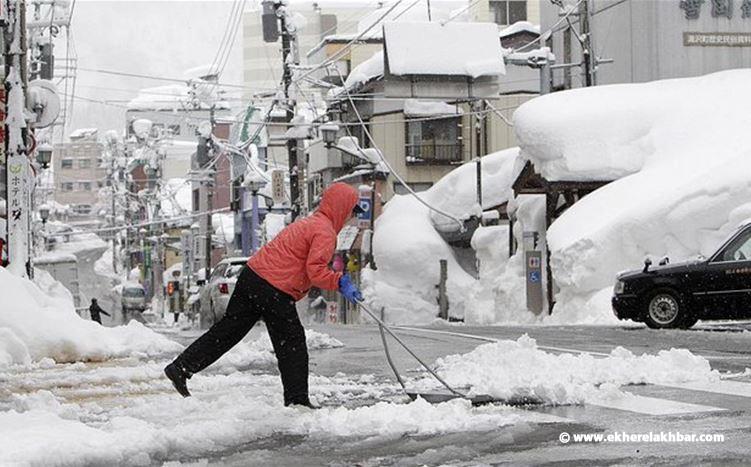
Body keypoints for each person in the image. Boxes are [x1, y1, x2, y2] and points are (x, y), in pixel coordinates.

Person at [164, 183, 365, 407]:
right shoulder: (324, 231)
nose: (351, 217)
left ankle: (181, 367)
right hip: (273, 288)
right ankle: (297, 401)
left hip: (251, 276)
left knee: (228, 331)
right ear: (341, 207)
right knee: (292, 343)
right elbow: (315, 270)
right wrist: (339, 282)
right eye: (352, 210)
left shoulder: (310, 223)